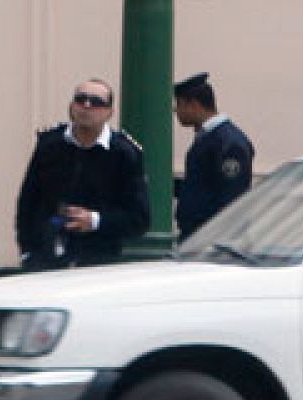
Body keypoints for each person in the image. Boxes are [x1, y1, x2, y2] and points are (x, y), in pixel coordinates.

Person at [14, 78, 150, 270]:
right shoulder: (50, 144)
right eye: (81, 99)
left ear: (109, 112)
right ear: (71, 106)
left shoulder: (124, 153)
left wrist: (95, 220)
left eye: (96, 102)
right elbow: (28, 202)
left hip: (98, 261)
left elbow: (139, 218)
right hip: (45, 259)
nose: (86, 105)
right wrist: (27, 251)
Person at [172, 71, 255, 241]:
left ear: (194, 105)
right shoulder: (210, 138)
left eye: (179, 105)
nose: (176, 112)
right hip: (198, 236)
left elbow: (231, 199)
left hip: (211, 240)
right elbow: (202, 185)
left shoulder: (228, 143)